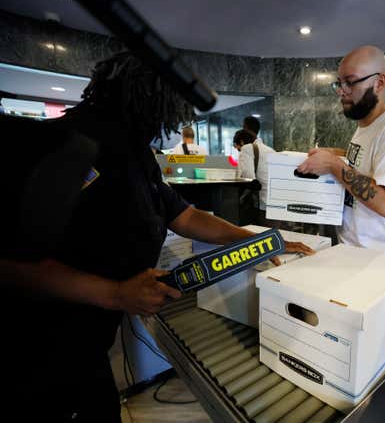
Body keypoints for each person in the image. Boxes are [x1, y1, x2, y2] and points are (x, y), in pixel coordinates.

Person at [0, 52, 313, 422]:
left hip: (90, 343)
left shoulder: (135, 150)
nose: (167, 126)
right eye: (166, 111)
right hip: (36, 348)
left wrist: (253, 241)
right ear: (142, 99)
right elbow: (13, 266)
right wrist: (116, 293)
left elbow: (184, 215)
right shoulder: (65, 146)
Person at [297, 45, 385, 257]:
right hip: (358, 253)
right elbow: (368, 160)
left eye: (350, 82)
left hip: (384, 262)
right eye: (339, 82)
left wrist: (334, 164)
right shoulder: (368, 126)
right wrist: (336, 154)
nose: (341, 90)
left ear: (379, 82)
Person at [234, 128, 275, 217]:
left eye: (238, 149)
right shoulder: (270, 150)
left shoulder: (246, 148)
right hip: (276, 202)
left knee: (260, 230)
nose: (239, 152)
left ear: (241, 142)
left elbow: (248, 177)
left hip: (261, 203)